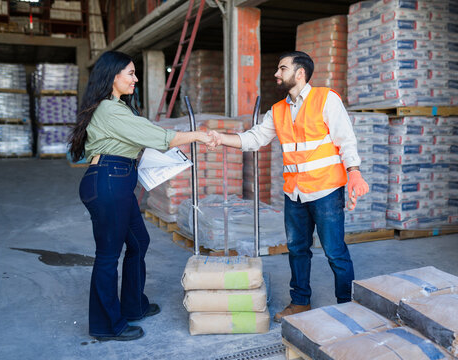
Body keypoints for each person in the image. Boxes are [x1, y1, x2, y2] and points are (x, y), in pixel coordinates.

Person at [208, 51, 369, 322]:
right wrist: (221, 138)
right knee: (296, 250)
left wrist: (354, 171)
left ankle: (347, 305)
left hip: (326, 191)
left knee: (335, 251)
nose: (276, 74)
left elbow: (346, 139)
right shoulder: (278, 111)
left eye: (282, 68)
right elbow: (255, 139)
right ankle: (300, 302)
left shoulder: (326, 99)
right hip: (294, 193)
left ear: (300, 73)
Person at [68, 51, 213, 341]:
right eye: (131, 73)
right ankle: (107, 325)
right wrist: (199, 135)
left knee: (139, 242)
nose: (136, 79)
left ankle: (133, 305)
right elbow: (160, 137)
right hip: (109, 181)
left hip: (116, 178)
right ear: (113, 77)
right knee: (108, 256)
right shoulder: (110, 110)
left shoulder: (114, 108)